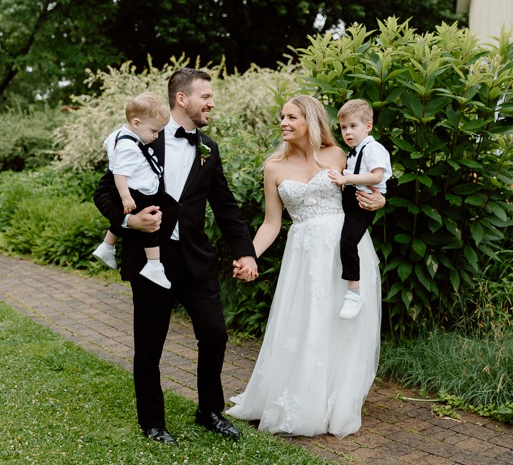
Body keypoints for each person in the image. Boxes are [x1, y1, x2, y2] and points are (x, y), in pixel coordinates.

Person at [93, 68, 258, 445]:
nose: (212, 103)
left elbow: (226, 207)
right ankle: (153, 422)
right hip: (152, 261)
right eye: (206, 96)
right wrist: (130, 220)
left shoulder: (208, 149)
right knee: (150, 345)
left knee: (215, 334)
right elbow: (104, 192)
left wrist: (245, 252)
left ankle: (209, 411)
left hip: (197, 260)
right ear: (182, 98)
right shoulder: (140, 138)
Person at [227, 95, 385, 438]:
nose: (283, 122)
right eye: (282, 116)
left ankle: (336, 401)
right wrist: (248, 254)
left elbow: (372, 188)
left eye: (291, 117)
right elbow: (271, 224)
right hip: (304, 256)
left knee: (342, 327)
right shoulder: (274, 167)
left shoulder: (339, 155)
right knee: (306, 323)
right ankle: (304, 398)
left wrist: (381, 199)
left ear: (310, 121)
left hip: (346, 251)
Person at [92, 92, 172, 289]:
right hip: (138, 191)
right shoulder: (129, 146)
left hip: (136, 188)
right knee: (152, 224)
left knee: (148, 221)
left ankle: (107, 246)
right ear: (136, 123)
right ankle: (154, 265)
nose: (156, 136)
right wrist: (126, 198)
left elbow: (110, 148)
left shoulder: (120, 136)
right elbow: (118, 173)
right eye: (154, 131)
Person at [328, 99, 392, 319]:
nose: (347, 132)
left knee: (348, 243)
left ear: (368, 126)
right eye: (344, 127)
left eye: (353, 126)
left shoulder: (373, 148)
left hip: (362, 203)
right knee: (342, 240)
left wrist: (345, 177)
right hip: (350, 198)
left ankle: (354, 293)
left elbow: (376, 176)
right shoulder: (355, 150)